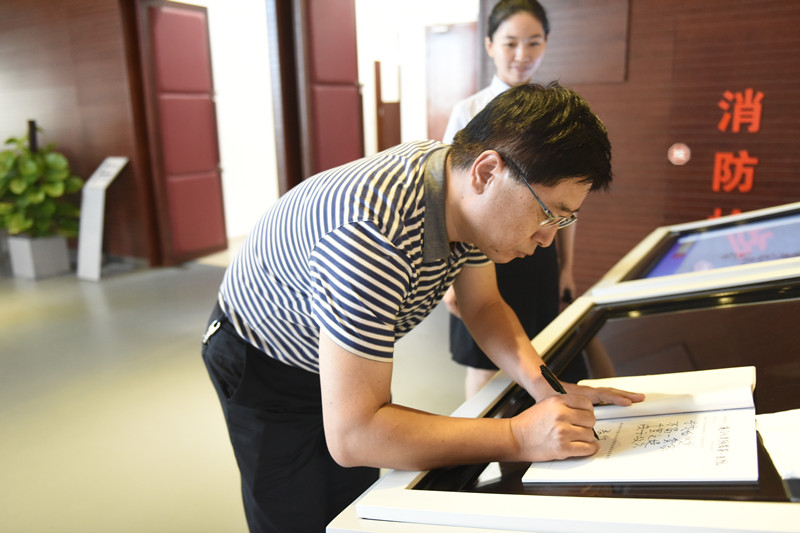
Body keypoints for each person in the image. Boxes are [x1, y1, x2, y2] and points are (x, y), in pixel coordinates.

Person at [201, 83, 644, 533]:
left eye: (564, 219)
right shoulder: (372, 235)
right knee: (294, 511)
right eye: (548, 213)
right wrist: (518, 436)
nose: (549, 238)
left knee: (349, 503)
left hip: (328, 349)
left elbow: (484, 306)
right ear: (487, 172)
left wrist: (546, 386)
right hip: (264, 354)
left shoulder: (461, 189)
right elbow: (355, 434)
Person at [443, 0, 577, 398]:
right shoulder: (469, 111)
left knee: (535, 352)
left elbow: (565, 204)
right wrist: (449, 276)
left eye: (534, 42)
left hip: (537, 253)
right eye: (510, 43)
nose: (522, 55)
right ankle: (486, 435)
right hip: (477, 253)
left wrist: (567, 267)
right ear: (490, 45)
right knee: (483, 363)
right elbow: (450, 196)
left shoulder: (557, 117)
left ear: (546, 44)